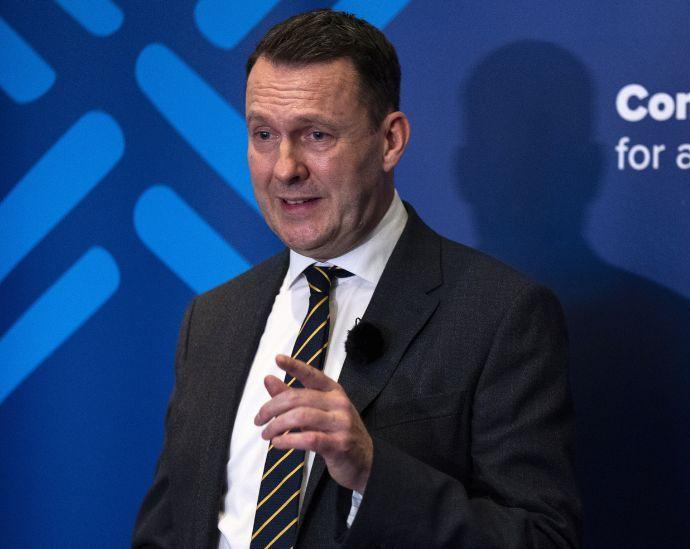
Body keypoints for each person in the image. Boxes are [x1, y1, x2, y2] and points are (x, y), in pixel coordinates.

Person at [132, 9, 580, 548]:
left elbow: (543, 539)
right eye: (264, 134)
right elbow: (167, 531)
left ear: (390, 141)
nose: (284, 168)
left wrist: (372, 470)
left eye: (316, 134)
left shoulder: (499, 315)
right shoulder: (211, 320)